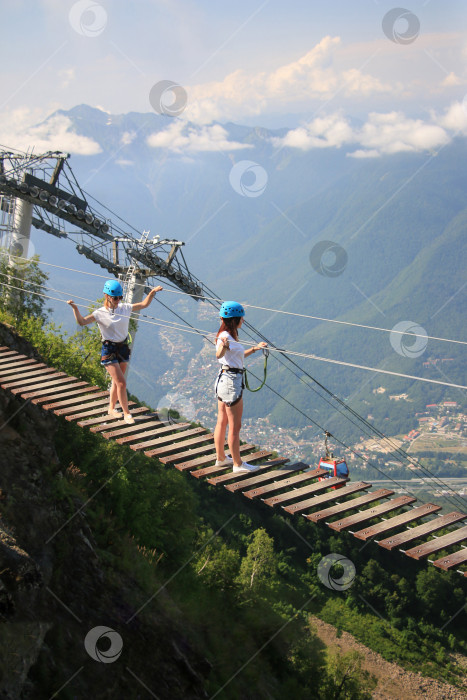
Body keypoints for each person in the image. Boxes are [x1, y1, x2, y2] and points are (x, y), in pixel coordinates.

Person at [67, 279, 162, 424]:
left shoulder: (124, 308)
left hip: (123, 347)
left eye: (120, 297)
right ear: (107, 296)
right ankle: (126, 413)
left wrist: (152, 293)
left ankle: (111, 408)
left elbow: (144, 304)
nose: (118, 300)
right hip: (109, 348)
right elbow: (82, 322)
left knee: (116, 381)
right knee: (122, 383)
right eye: (115, 297)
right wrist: (75, 308)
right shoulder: (99, 313)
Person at [214, 301, 267, 472]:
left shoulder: (226, 334)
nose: (243, 321)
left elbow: (235, 355)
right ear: (235, 319)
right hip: (231, 383)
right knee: (235, 426)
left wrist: (255, 348)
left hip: (223, 380)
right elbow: (219, 354)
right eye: (241, 318)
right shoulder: (225, 338)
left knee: (222, 421)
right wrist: (223, 345)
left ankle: (221, 458)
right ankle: (237, 464)